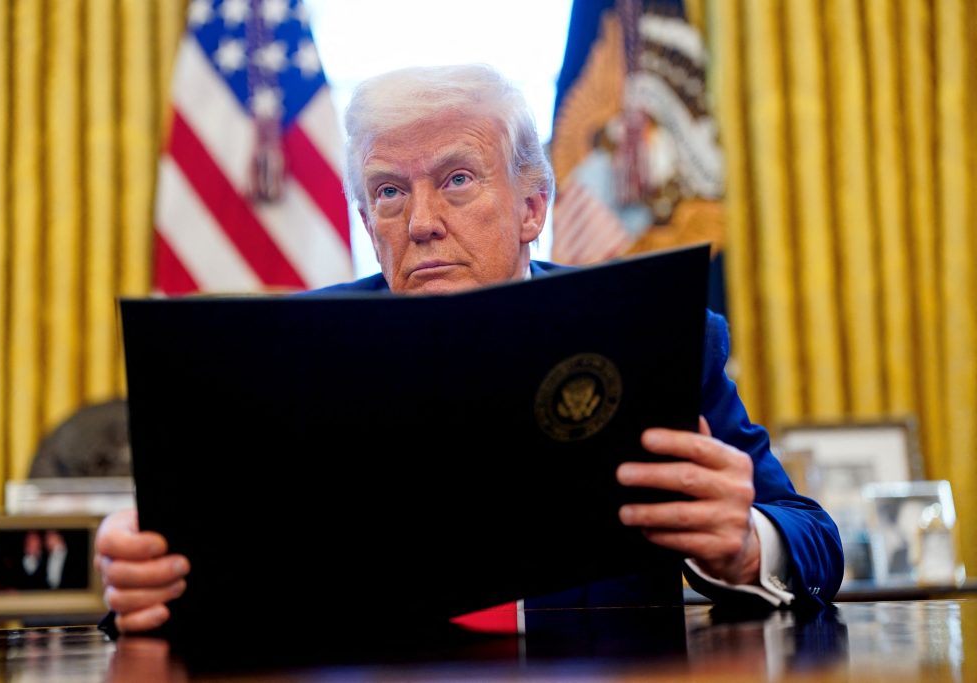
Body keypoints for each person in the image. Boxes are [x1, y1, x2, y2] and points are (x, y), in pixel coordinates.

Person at [95, 63, 843, 635]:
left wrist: (745, 544)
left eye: (456, 180)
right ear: (367, 220)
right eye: (389, 192)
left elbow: (814, 539)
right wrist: (139, 575)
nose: (420, 221)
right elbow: (176, 579)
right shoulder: (280, 356)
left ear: (532, 207)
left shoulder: (653, 335)